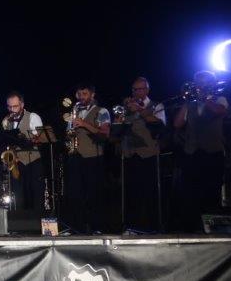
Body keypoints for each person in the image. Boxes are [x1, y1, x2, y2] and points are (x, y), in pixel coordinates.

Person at [173, 70, 229, 232]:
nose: (199, 86)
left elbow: (219, 111)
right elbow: (177, 124)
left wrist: (204, 98)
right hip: (192, 154)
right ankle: (193, 229)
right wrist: (187, 102)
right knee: (190, 194)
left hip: (213, 153)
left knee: (212, 193)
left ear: (210, 84)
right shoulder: (191, 103)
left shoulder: (220, 99)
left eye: (202, 83)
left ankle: (213, 230)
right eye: (197, 83)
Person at [63, 83, 111, 234]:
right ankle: (77, 227)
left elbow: (105, 134)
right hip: (75, 155)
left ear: (92, 95)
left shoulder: (101, 111)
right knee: (75, 193)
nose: (81, 97)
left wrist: (84, 124)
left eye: (84, 94)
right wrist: (69, 132)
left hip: (93, 157)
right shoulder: (75, 110)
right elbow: (69, 132)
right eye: (79, 94)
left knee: (93, 194)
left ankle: (96, 227)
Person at [119, 77, 165, 232]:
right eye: (134, 89)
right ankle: (131, 226)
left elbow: (160, 125)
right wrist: (123, 112)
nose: (136, 92)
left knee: (150, 191)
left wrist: (139, 109)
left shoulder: (157, 105)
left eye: (140, 89)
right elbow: (119, 126)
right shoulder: (127, 106)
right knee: (132, 192)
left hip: (149, 154)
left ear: (147, 90)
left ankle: (152, 227)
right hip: (130, 154)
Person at [1, 91, 46, 211]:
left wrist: (25, 139)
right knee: (18, 195)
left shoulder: (33, 117)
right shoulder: (7, 121)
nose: (12, 110)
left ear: (22, 104)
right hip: (16, 162)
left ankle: (38, 219)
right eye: (9, 107)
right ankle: (19, 219)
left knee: (36, 194)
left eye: (15, 106)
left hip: (33, 160)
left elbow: (40, 138)